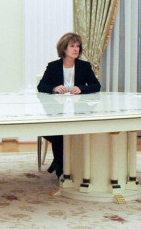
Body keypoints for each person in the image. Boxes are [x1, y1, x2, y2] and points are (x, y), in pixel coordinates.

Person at [37, 32, 101, 177]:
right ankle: (61, 166)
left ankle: (60, 164)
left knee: (68, 132)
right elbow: (41, 86)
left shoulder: (84, 66)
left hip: (79, 110)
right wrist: (54, 88)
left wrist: (82, 88)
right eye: (72, 46)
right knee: (58, 132)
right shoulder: (53, 66)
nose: (76, 49)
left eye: (78, 46)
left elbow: (96, 86)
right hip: (56, 110)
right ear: (64, 49)